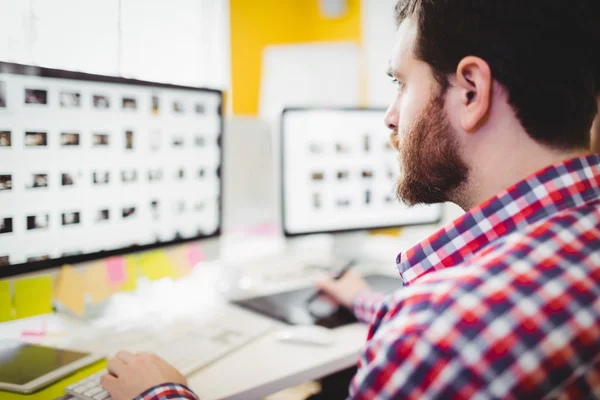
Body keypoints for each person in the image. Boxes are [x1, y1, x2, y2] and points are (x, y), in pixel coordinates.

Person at [100, 1, 600, 399]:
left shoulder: (438, 335)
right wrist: (373, 301)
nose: (389, 117)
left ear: (470, 91)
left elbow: (446, 332)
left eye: (401, 83)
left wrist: (159, 394)